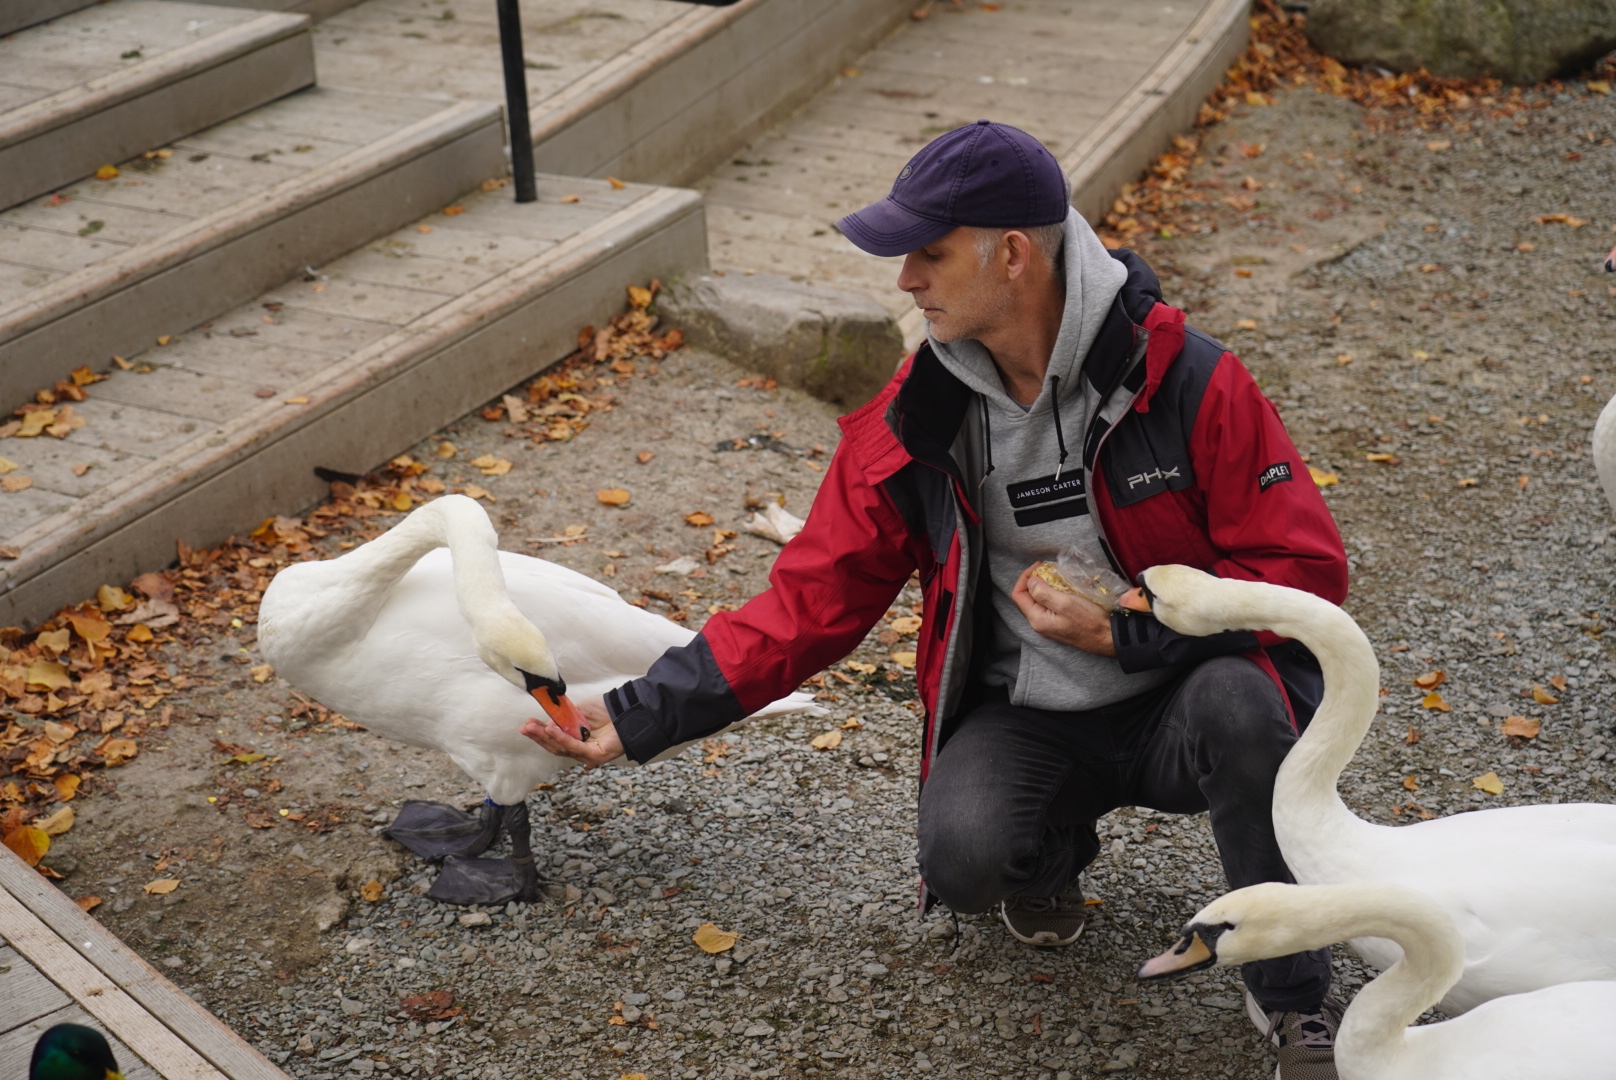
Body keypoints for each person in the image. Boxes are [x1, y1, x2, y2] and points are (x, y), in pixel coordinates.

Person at [522, 121, 1350, 1079]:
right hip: (1034, 716)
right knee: (964, 856)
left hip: (1185, 697)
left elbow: (1305, 576)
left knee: (1248, 710)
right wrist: (631, 714)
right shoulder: (919, 417)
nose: (905, 280)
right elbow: (812, 597)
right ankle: (1048, 856)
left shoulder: (1190, 378)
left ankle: (1291, 992)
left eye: (928, 252)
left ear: (1010, 255)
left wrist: (1134, 629)